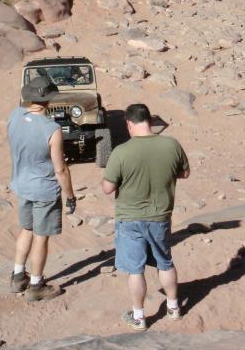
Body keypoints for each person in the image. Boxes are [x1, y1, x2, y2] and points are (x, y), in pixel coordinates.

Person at [102, 103, 190, 331]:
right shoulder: (171, 144)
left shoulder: (122, 151)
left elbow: (108, 188)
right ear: (150, 121)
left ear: (129, 124)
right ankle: (173, 307)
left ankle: (139, 316)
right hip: (160, 216)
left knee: (135, 269)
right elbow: (185, 172)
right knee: (165, 262)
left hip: (130, 219)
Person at [7, 76, 77, 302]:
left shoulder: (14, 115)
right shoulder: (51, 129)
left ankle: (18, 276)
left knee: (26, 229)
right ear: (49, 99)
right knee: (41, 236)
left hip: (21, 184)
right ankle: (36, 285)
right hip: (44, 189)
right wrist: (70, 196)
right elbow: (60, 169)